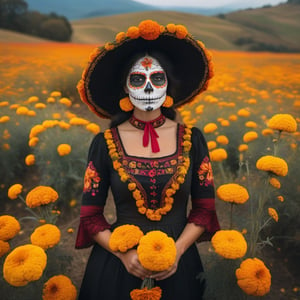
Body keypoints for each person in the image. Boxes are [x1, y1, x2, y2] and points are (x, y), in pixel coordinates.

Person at [75, 19, 220, 300]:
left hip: (180, 263)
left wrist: (175, 253)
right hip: (120, 265)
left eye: (157, 78)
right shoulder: (105, 143)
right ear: (125, 88)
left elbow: (204, 209)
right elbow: (90, 216)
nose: (149, 87)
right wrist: (123, 254)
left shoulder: (193, 140)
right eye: (139, 79)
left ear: (168, 85)